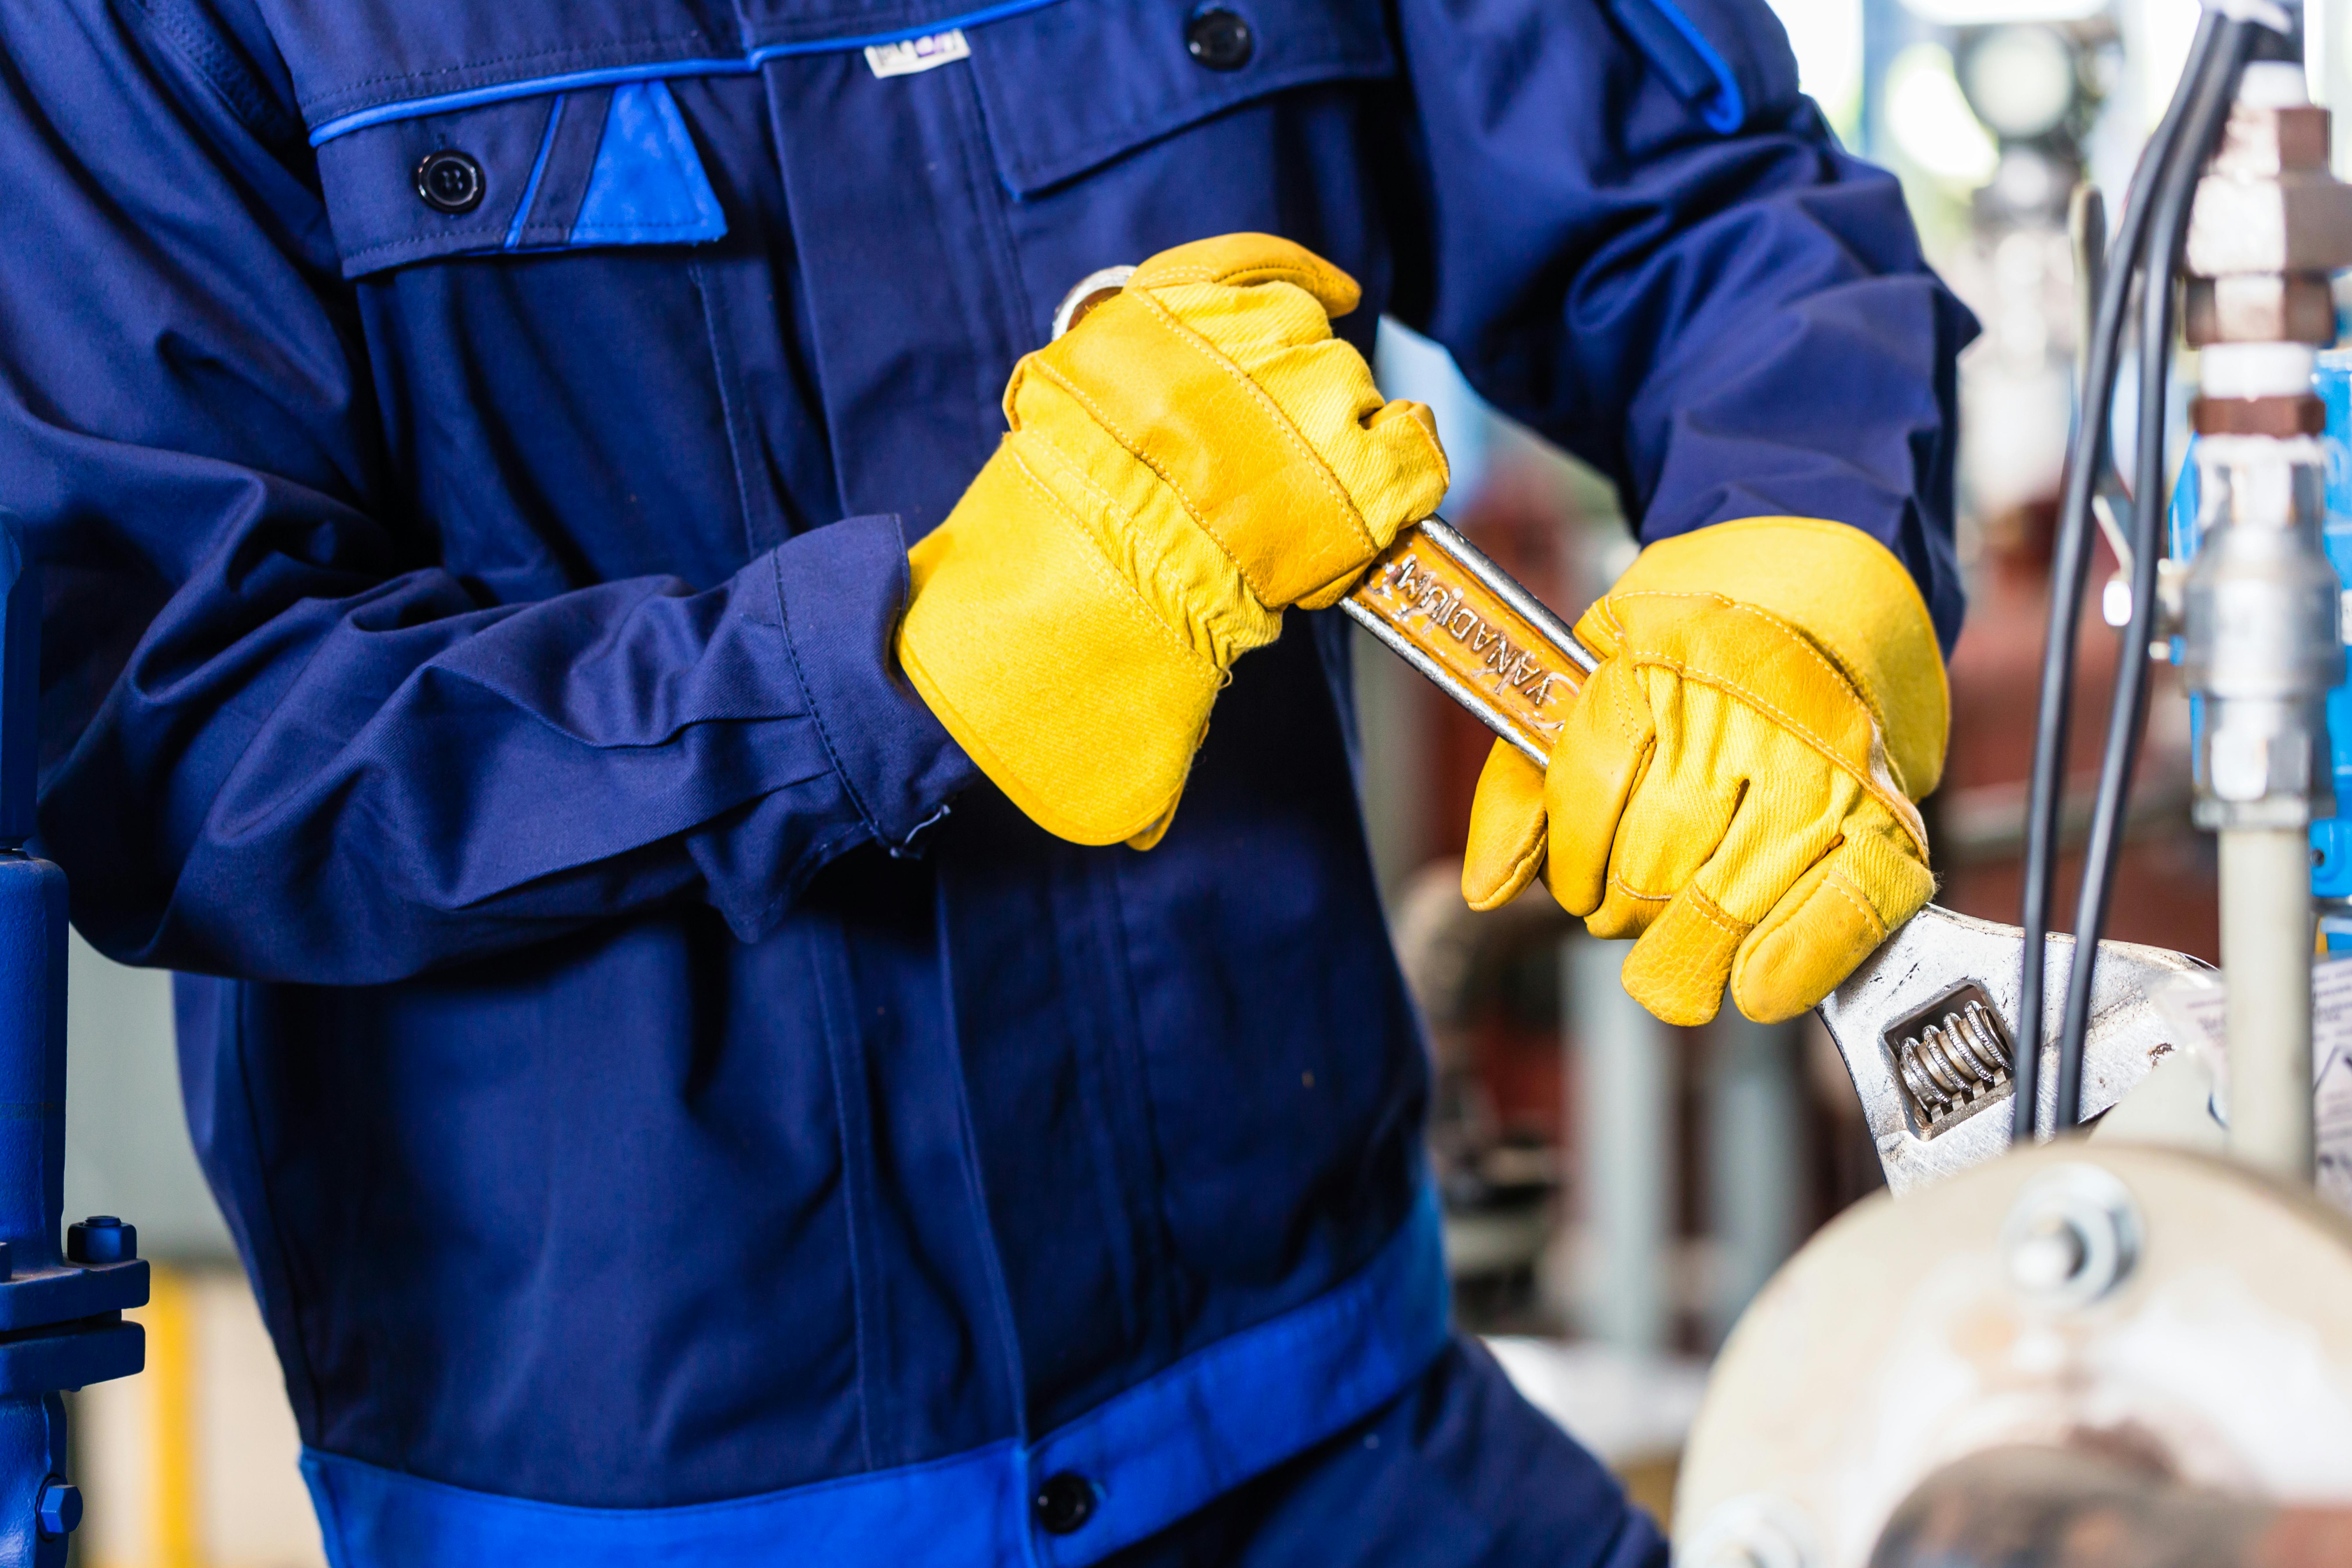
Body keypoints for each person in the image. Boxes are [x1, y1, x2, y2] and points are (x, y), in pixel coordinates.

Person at [0, 0, 1967, 1556]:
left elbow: (1711, 210)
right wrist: (886, 677)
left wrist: (1793, 562)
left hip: (1339, 1421)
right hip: (659, 1514)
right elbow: (185, 726)